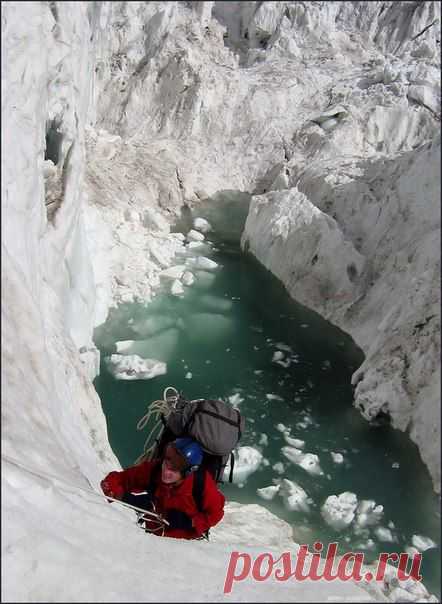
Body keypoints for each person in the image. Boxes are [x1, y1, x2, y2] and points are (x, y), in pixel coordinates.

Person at [100, 437, 225, 540]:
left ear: (188, 472)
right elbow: (120, 478)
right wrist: (116, 492)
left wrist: (190, 522)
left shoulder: (202, 484)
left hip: (187, 545)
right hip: (152, 537)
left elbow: (216, 513)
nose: (166, 470)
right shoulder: (154, 470)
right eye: (167, 461)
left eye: (174, 468)